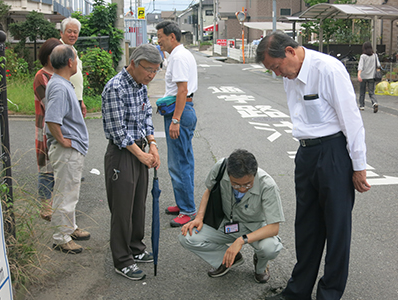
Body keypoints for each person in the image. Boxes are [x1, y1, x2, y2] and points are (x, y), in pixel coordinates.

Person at [256, 32, 371, 300]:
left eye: (276, 67)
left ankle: (329, 294)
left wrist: (358, 165)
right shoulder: (291, 75)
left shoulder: (328, 69)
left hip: (333, 154)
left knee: (337, 228)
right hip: (306, 154)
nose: (278, 74)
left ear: (289, 52)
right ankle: (297, 292)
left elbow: (351, 119)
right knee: (306, 227)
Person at [102, 44, 161, 280]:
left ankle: (136, 247)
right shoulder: (116, 87)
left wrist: (153, 143)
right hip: (122, 153)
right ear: (134, 63)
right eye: (148, 69)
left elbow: (146, 116)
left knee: (139, 205)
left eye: (156, 71)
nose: (151, 75)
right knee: (122, 209)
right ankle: (122, 259)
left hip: (140, 149)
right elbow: (118, 132)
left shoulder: (141, 86)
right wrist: (142, 155)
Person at [179, 149, 284, 283]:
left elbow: (273, 228)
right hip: (226, 222)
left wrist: (241, 240)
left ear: (254, 173)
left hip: (255, 227)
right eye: (235, 184)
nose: (241, 189)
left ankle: (261, 266)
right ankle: (229, 259)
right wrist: (199, 217)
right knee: (187, 237)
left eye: (247, 184)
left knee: (270, 248)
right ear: (228, 175)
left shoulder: (268, 185)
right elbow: (209, 190)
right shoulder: (221, 167)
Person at [45, 44, 90, 254]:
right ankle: (60, 237)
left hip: (72, 147)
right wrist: (63, 140)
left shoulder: (62, 83)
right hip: (67, 149)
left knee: (70, 191)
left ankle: (69, 229)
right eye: (76, 59)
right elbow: (52, 119)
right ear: (70, 62)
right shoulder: (60, 86)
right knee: (65, 193)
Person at [156, 21, 198, 227]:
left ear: (172, 36)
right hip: (183, 110)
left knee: (179, 162)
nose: (158, 40)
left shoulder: (179, 57)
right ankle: (183, 204)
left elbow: (182, 90)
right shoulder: (180, 55)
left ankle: (188, 209)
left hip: (179, 111)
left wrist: (175, 120)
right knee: (184, 160)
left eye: (160, 36)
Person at [33, 38, 62, 221]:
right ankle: (45, 206)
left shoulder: (58, 74)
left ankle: (55, 205)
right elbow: (49, 105)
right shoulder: (41, 76)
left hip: (59, 126)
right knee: (46, 168)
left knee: (57, 166)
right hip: (45, 127)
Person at [60, 17, 87, 117]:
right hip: (66, 100)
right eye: (69, 31)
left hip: (76, 99)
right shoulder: (59, 50)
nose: (72, 35)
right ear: (61, 33)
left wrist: (81, 100)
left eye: (75, 32)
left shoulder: (72, 49)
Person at [357, 41, 380, 113]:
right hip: (372, 76)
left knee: (362, 92)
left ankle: (362, 106)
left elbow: (360, 67)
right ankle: (374, 102)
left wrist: (358, 75)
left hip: (363, 76)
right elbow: (378, 65)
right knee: (371, 92)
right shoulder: (375, 56)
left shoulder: (363, 56)